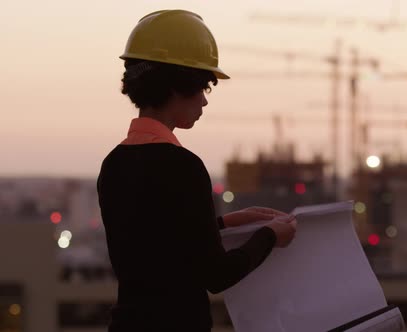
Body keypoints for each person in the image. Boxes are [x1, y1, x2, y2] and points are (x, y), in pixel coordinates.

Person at [96, 9, 297, 332]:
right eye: (203, 87)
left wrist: (226, 222)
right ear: (179, 85)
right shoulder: (182, 166)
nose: (204, 101)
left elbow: (158, 245)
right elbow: (217, 274)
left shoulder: (114, 163)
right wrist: (271, 236)